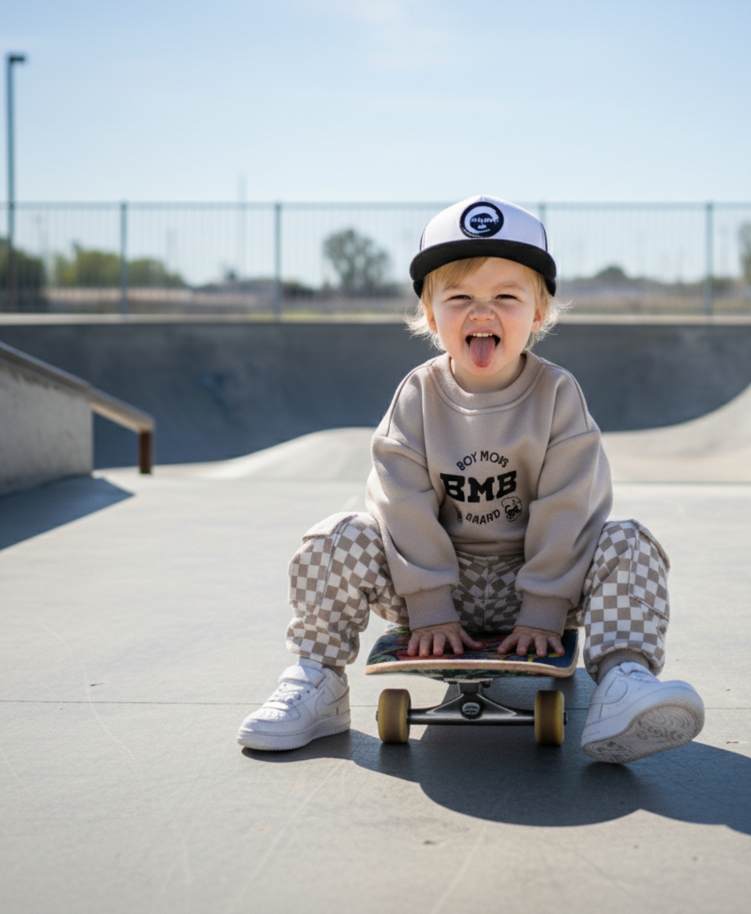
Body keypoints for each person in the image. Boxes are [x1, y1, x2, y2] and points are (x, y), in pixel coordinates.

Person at [237, 195, 704, 763]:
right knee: (336, 538)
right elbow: (399, 498)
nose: (482, 312)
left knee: (629, 542)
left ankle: (622, 683)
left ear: (538, 313)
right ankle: (318, 678)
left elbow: (571, 504)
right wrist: (430, 605)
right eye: (459, 298)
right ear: (431, 317)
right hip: (433, 583)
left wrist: (543, 610)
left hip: (540, 583)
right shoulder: (418, 395)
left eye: (506, 297)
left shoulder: (558, 395)